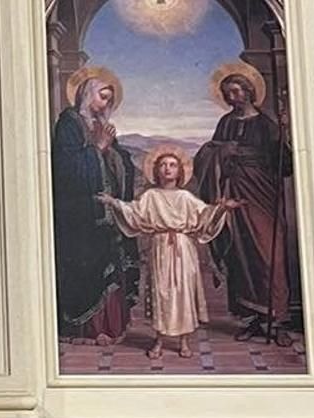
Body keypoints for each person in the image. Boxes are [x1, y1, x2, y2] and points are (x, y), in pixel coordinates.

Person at [97, 152, 242, 360]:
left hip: (184, 249)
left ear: (179, 170)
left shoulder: (185, 197)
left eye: (172, 165)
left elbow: (205, 215)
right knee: (161, 292)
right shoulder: (150, 196)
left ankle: (183, 341)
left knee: (183, 292)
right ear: (156, 170)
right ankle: (159, 340)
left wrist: (221, 208)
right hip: (161, 248)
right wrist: (113, 202)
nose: (167, 168)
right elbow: (134, 213)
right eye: (163, 165)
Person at [195, 73, 298, 346]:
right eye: (227, 93)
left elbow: (285, 165)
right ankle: (253, 318)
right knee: (242, 256)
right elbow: (208, 155)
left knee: (269, 255)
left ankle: (276, 320)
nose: (232, 97)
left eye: (236, 91)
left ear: (250, 91)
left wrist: (284, 137)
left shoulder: (267, 125)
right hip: (234, 196)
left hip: (262, 195)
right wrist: (221, 151)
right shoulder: (226, 122)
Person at [52, 76, 140, 346]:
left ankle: (113, 325)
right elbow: (64, 169)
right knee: (87, 267)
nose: (106, 104)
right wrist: (98, 148)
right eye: (103, 97)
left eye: (110, 100)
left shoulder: (102, 126)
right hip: (81, 214)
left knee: (110, 264)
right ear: (87, 94)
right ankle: (88, 329)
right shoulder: (70, 122)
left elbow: (120, 163)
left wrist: (116, 155)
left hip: (106, 210)